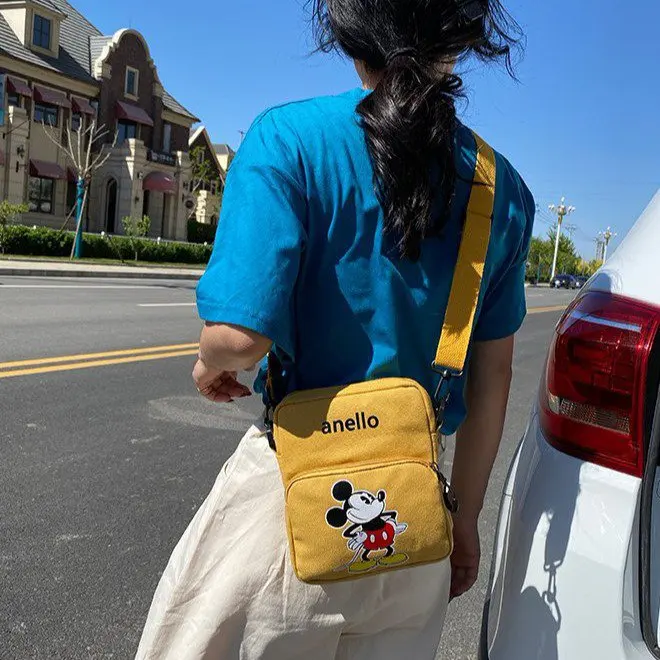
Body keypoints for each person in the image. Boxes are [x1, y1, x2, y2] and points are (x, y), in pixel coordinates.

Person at [136, 0, 534, 658]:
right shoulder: (503, 193)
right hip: (412, 518)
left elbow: (239, 338)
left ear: (352, 30)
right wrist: (463, 519)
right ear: (462, 37)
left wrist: (210, 363)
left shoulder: (288, 140)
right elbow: (493, 379)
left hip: (290, 504)